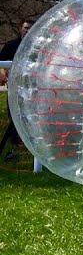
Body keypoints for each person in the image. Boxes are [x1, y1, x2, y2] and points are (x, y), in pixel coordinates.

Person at [0, 21, 32, 161]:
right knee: (13, 112)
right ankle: (14, 140)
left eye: (30, 28)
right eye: (25, 28)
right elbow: (2, 61)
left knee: (29, 113)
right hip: (14, 85)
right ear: (21, 29)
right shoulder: (11, 45)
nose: (27, 30)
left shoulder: (36, 47)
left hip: (31, 86)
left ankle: (29, 140)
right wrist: (2, 73)